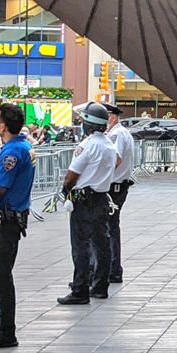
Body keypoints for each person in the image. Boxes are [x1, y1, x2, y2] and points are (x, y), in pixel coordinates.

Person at [0, 103, 34, 349]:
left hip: (5, 219)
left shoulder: (12, 152)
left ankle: (5, 330)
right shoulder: (23, 147)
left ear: (2, 125)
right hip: (12, 218)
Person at [57, 102, 120, 305]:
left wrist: (65, 190)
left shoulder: (87, 145)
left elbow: (72, 175)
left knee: (81, 246)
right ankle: (100, 286)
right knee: (102, 244)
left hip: (84, 201)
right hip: (101, 198)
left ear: (89, 124)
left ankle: (80, 290)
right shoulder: (110, 145)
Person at [105, 103, 135, 284]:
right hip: (118, 186)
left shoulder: (116, 134)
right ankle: (112, 269)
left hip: (113, 187)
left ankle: (113, 270)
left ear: (113, 117)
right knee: (111, 227)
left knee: (108, 229)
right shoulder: (121, 133)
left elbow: (115, 159)